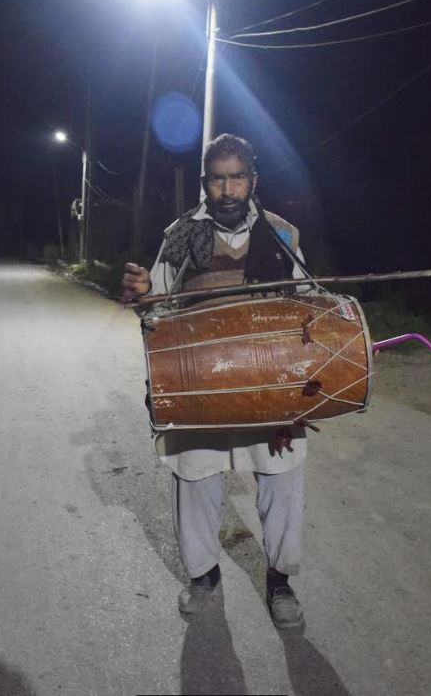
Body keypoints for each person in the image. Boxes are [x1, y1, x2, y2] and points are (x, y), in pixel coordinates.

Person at [122, 133, 310, 631]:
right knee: (195, 477)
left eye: (237, 178)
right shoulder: (180, 234)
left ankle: (280, 581)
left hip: (268, 385)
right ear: (205, 182)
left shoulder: (281, 234)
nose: (227, 189)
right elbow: (156, 310)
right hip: (200, 383)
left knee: (283, 477)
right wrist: (144, 292)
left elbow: (305, 305)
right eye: (218, 179)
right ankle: (203, 576)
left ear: (253, 181)